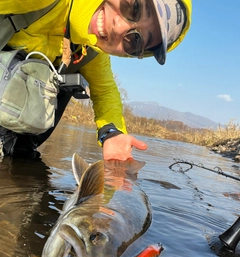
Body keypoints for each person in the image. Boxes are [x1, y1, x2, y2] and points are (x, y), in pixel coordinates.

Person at [0, 0, 191, 160]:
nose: (120, 28)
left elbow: (106, 91)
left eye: (136, 40)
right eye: (134, 6)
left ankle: (18, 150)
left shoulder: (89, 52)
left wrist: (112, 133)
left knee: (69, 81)